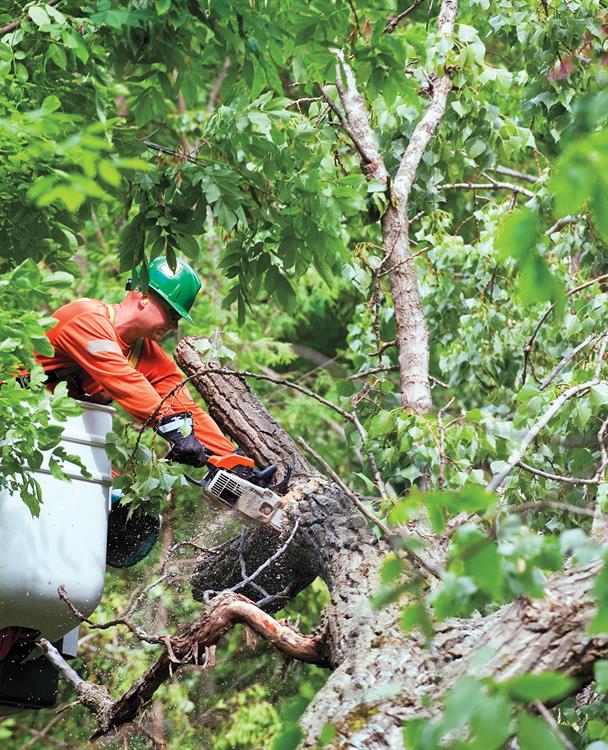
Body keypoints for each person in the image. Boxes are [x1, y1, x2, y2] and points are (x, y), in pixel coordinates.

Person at [35, 256, 276, 565]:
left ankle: (62, 570)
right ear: (145, 296)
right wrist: (173, 428)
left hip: (64, 447)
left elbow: (183, 407)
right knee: (99, 494)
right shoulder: (85, 318)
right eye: (172, 313)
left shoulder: (146, 355)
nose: (174, 324)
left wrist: (230, 462)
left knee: (129, 510)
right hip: (19, 431)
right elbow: (125, 381)